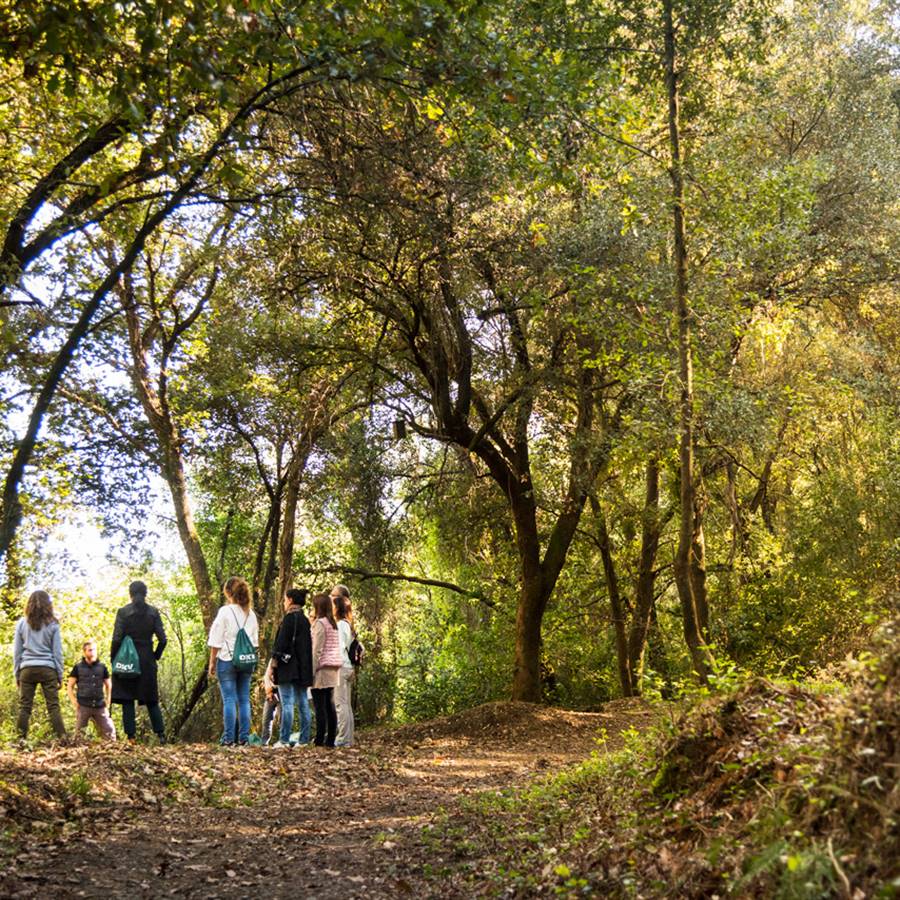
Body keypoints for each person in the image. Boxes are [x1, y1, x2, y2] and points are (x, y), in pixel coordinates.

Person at [111, 580, 168, 743]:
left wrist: (114, 659)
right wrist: (155, 656)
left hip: (127, 658)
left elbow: (116, 639)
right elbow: (163, 640)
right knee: (151, 698)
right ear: (145, 593)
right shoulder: (153, 613)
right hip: (147, 659)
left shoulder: (123, 612)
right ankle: (161, 735)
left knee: (127, 697)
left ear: (130, 594)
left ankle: (131, 737)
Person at [207, 576, 259, 746]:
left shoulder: (225, 611)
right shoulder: (251, 614)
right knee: (244, 699)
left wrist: (212, 662)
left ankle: (229, 738)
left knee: (229, 699)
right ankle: (244, 738)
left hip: (227, 659)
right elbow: (255, 643)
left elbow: (216, 639)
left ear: (229, 593)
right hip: (246, 661)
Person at [13, 590, 67, 742]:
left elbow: (17, 652)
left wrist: (17, 674)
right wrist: (59, 674)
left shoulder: (22, 623)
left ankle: (20, 741)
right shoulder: (53, 624)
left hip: (27, 669)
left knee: (25, 707)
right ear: (48, 604)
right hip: (47, 669)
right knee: (53, 707)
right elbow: (57, 652)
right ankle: (63, 739)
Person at [269, 587, 313, 748]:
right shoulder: (305, 620)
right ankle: (304, 739)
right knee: (303, 703)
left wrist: (274, 664)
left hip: (287, 667)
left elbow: (281, 644)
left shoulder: (288, 619)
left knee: (287, 703)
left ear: (291, 600)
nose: (284, 602)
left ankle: (284, 739)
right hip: (303, 668)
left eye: (285, 599)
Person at [67, 639, 116, 741]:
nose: (92, 652)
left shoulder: (102, 667)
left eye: (94, 650)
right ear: (84, 652)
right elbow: (70, 685)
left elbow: (108, 685)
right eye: (90, 650)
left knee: (109, 731)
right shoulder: (78, 667)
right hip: (83, 705)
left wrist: (108, 700)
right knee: (79, 736)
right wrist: (74, 701)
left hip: (99, 705)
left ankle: (111, 751)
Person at [310, 592, 342, 747]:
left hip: (321, 669)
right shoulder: (333, 623)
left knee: (320, 706)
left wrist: (311, 670)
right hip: (333, 668)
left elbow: (316, 650)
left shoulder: (320, 624)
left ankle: (320, 739)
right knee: (329, 705)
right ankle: (330, 739)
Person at [331, 585, 356, 748]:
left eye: (332, 596)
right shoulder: (348, 624)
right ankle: (348, 738)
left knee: (340, 705)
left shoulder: (340, 625)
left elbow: (339, 648)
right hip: (348, 667)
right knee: (345, 704)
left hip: (341, 667)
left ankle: (343, 739)